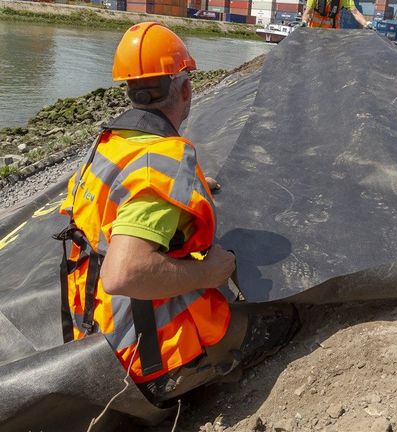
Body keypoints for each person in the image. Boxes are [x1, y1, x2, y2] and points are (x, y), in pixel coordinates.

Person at [55, 22, 298, 405]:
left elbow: (127, 194)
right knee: (282, 321)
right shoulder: (163, 162)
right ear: (185, 89)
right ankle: (196, 374)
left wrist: (193, 185)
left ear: (131, 90)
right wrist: (210, 272)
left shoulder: (108, 143)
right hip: (145, 357)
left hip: (92, 332)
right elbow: (124, 273)